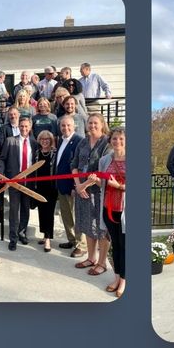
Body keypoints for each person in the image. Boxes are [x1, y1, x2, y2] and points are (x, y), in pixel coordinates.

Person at [73, 114, 110, 276]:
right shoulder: (82, 141)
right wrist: (78, 186)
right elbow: (74, 165)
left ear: (102, 125)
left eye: (95, 123)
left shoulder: (106, 143)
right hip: (82, 191)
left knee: (101, 228)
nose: (92, 126)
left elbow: (103, 171)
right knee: (88, 225)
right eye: (90, 123)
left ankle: (102, 263)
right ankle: (91, 258)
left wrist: (84, 185)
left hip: (98, 191)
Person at [0, 116, 36, 251]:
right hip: (14, 182)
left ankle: (22, 233)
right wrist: (2, 175)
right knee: (14, 211)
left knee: (25, 209)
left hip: (28, 182)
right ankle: (13, 238)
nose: (24, 129)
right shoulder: (10, 141)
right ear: (18, 127)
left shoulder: (34, 143)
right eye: (22, 126)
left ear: (30, 127)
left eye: (26, 126)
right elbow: (2, 159)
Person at [97, 126, 126, 298]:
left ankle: (124, 280)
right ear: (110, 141)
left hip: (124, 211)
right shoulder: (105, 160)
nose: (118, 141)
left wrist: (119, 186)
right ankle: (116, 277)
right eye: (114, 138)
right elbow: (102, 184)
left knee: (125, 246)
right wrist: (95, 180)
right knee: (115, 245)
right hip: (108, 209)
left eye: (121, 138)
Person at [54, 116, 86, 256]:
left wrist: (75, 186)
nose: (65, 128)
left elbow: (80, 165)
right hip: (61, 185)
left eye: (68, 125)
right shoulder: (61, 140)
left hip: (72, 186)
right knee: (66, 215)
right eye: (63, 125)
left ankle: (81, 245)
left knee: (75, 216)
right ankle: (72, 240)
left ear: (74, 126)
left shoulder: (79, 141)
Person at [32, 129, 59, 253]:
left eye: (47, 139)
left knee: (49, 213)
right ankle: (44, 235)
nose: (45, 141)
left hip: (51, 188)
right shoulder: (37, 153)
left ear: (51, 140)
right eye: (42, 139)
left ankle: (48, 238)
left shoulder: (55, 153)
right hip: (39, 187)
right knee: (41, 212)